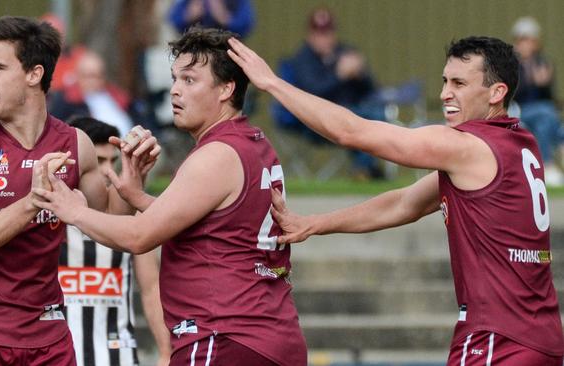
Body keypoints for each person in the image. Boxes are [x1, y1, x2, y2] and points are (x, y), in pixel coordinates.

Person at [227, 36, 564, 364]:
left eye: (459, 83)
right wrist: (314, 224)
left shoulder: (467, 147)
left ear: (496, 93)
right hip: (541, 337)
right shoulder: (520, 142)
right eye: (445, 81)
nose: (445, 93)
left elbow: (353, 132)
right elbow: (406, 203)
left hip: (498, 338)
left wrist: (271, 83)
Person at [33, 27, 307, 365]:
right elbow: (214, 225)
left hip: (225, 336)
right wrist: (139, 197)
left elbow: (139, 237)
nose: (175, 91)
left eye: (190, 80)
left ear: (226, 89)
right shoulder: (253, 143)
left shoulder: (216, 155)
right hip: (271, 336)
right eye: (175, 79)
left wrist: (74, 210)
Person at [0, 16, 159, 365]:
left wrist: (133, 183)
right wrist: (32, 203)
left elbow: (107, 222)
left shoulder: (76, 144)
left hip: (49, 337)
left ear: (34, 74)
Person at [62, 116, 171, 366]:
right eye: (98, 161)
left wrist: (166, 352)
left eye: (113, 161)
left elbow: (151, 286)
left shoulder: (131, 219)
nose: (107, 170)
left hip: (117, 356)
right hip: (59, 355)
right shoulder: (51, 214)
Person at [285, 7, 385, 179]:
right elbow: (312, 93)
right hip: (316, 121)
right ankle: (366, 169)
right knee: (366, 118)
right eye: (318, 33)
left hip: (349, 114)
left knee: (376, 113)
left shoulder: (345, 52)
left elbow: (371, 90)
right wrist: (339, 75)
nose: (323, 38)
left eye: (327, 32)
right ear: (310, 34)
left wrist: (360, 74)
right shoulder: (302, 60)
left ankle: (363, 168)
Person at [511, 16, 564, 186]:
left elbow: (549, 96)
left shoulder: (542, 62)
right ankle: (548, 163)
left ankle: (545, 166)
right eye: (523, 40)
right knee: (548, 114)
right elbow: (513, 94)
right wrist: (530, 81)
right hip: (520, 110)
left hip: (542, 112)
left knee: (545, 120)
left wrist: (545, 84)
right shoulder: (511, 65)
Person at [49, 50, 136, 137]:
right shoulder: (67, 100)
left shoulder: (116, 96)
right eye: (89, 76)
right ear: (78, 75)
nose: (94, 81)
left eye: (99, 76)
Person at [168, 0, 254, 37]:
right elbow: (173, 19)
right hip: (194, 49)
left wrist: (225, 18)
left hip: (226, 51)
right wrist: (188, 15)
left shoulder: (238, 1)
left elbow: (246, 25)